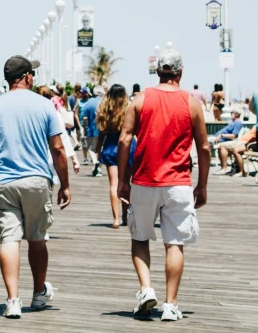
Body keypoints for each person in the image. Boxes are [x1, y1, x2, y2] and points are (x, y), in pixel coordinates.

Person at [117, 48, 210, 321]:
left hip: (144, 180)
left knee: (139, 237)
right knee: (174, 243)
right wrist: (202, 185)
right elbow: (203, 146)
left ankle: (146, 289)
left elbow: (124, 139)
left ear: (157, 71)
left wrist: (122, 180)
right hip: (179, 183)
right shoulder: (191, 103)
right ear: (180, 73)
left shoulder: (141, 99)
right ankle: (170, 305)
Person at [0, 56, 71, 319]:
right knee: (37, 238)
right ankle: (39, 293)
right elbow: (58, 149)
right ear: (27, 76)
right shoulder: (44, 105)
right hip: (36, 181)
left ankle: (12, 300)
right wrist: (65, 185)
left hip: (2, 182)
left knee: (9, 239)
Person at [95, 84, 135, 228]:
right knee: (126, 182)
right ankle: (125, 217)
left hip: (111, 147)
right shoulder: (130, 109)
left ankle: (116, 219)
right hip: (128, 147)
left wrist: (98, 150)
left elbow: (101, 132)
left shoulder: (105, 109)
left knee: (113, 184)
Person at [210, 110, 244, 175]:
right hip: (218, 138)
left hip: (223, 139)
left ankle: (223, 168)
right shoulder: (232, 122)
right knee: (206, 142)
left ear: (236, 115)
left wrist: (222, 135)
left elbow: (234, 135)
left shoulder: (238, 123)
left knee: (206, 143)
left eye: (232, 113)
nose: (231, 115)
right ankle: (221, 167)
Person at [80, 86, 104, 176]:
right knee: (100, 149)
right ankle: (99, 170)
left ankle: (95, 162)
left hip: (91, 130)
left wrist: (85, 129)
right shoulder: (104, 102)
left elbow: (85, 118)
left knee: (91, 149)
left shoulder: (89, 103)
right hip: (103, 130)